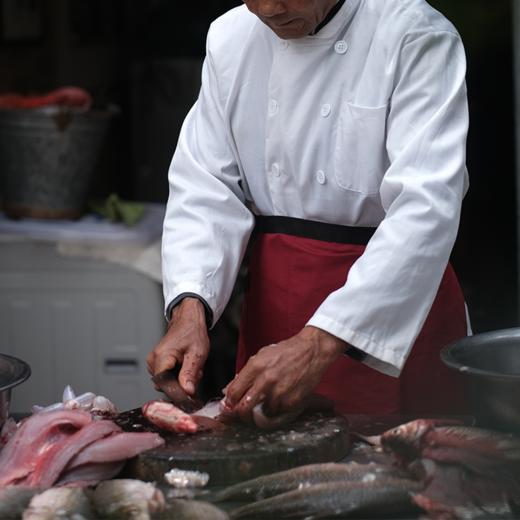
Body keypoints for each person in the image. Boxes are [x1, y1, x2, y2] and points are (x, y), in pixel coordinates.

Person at [147, 0, 470, 422]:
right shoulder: (230, 37)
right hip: (276, 303)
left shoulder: (414, 34)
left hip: (390, 308)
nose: (268, 8)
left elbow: (425, 207)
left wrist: (321, 341)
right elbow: (206, 183)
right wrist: (191, 308)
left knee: (402, 473)